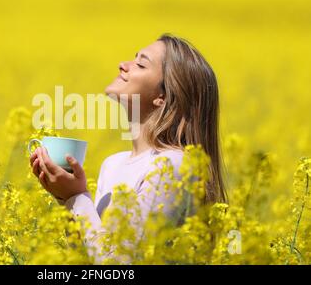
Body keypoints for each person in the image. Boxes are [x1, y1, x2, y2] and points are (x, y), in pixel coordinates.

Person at [29, 33, 227, 263]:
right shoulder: (113, 164)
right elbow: (90, 259)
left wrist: (76, 196)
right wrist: (65, 198)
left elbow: (124, 266)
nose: (123, 65)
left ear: (162, 97)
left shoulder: (173, 165)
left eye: (141, 64)